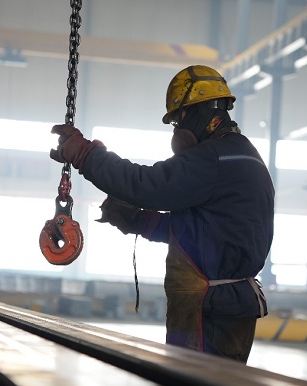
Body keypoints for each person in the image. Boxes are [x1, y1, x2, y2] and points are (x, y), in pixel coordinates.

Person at [49, 65, 275, 364]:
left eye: (178, 120)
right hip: (225, 306)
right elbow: (206, 233)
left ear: (195, 111)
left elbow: (146, 185)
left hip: (209, 308)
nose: (177, 131)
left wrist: (86, 155)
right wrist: (140, 221)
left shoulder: (214, 158)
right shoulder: (243, 155)